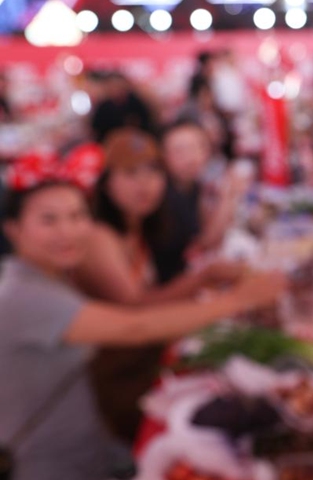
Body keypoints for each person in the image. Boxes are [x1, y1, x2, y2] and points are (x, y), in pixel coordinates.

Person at [0, 163, 285, 480]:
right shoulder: (23, 295)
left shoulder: (46, 279)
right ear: (13, 229)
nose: (67, 231)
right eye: (48, 220)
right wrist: (239, 299)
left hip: (90, 445)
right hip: (49, 464)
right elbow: (134, 326)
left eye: (77, 216)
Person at [71, 128, 245, 441]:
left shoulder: (136, 229)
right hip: (120, 382)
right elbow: (135, 306)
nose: (145, 184)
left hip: (148, 360)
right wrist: (204, 280)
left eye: (154, 172)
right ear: (106, 182)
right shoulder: (99, 237)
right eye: (131, 173)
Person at [155, 120, 245, 282]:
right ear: (163, 156)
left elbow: (207, 230)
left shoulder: (192, 186)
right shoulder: (163, 196)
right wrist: (229, 195)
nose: (191, 157)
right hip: (169, 288)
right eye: (179, 151)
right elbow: (206, 243)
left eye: (197, 147)